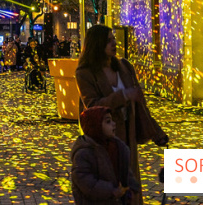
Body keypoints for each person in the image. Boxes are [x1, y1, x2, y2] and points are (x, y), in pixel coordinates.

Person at [75, 25, 168, 205]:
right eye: (109, 40)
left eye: (114, 38)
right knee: (113, 188)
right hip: (104, 140)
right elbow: (92, 105)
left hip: (128, 136)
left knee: (131, 187)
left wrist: (157, 133)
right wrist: (123, 96)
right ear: (97, 44)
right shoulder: (85, 73)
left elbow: (141, 107)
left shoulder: (124, 67)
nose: (114, 43)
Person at [71, 106, 139, 205]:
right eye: (108, 122)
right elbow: (85, 181)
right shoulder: (84, 153)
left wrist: (130, 188)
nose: (114, 124)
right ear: (95, 126)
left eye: (112, 120)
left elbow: (125, 171)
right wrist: (111, 190)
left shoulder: (118, 147)